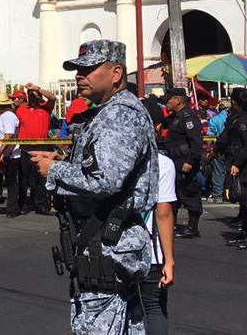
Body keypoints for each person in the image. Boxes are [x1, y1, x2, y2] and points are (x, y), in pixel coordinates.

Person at [28, 40, 158, 335]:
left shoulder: (118, 115)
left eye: (88, 68)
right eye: (77, 69)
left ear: (116, 73)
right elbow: (103, 168)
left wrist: (56, 170)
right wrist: (63, 159)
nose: (79, 75)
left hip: (108, 245)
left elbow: (105, 180)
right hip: (108, 242)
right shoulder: (108, 111)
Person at [139, 99, 175, 335]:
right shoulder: (163, 164)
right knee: (153, 308)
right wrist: (169, 260)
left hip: (112, 247)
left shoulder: (113, 161)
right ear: (159, 128)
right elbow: (163, 213)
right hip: (150, 250)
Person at [161, 88, 204, 239]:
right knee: (176, 193)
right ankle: (172, 224)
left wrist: (190, 161)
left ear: (177, 100)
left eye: (168, 100)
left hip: (185, 162)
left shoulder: (188, 117)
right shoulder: (176, 117)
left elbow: (197, 142)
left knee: (189, 192)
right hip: (175, 161)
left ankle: (192, 227)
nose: (166, 104)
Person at [216, 89, 247, 247]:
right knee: (243, 200)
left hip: (243, 166)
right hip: (239, 163)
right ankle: (244, 233)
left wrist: (237, 164)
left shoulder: (242, 121)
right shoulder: (236, 119)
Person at [17, 87, 53, 216]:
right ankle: (23, 204)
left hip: (41, 147)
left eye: (36, 96)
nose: (34, 97)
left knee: (40, 177)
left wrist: (37, 89)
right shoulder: (21, 109)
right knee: (24, 177)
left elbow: (53, 97)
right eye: (31, 95)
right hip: (26, 147)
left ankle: (41, 205)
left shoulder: (45, 108)